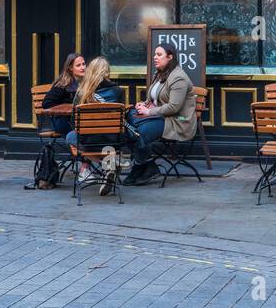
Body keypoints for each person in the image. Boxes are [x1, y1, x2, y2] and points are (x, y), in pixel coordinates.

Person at [122, 43, 197, 186]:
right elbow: (155, 98)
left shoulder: (178, 77)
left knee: (141, 132)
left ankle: (138, 167)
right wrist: (144, 104)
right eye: (155, 54)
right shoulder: (160, 73)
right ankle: (148, 165)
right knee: (127, 123)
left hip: (177, 121)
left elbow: (174, 107)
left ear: (170, 57)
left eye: (159, 55)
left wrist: (149, 111)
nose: (155, 57)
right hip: (161, 117)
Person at [64, 56, 123, 195]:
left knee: (70, 136)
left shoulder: (82, 93)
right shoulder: (118, 91)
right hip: (113, 142)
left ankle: (107, 164)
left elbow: (74, 123)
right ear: (107, 72)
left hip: (89, 142)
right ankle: (110, 164)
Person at [40, 53, 86, 137]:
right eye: (78, 65)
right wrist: (66, 107)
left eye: (83, 64)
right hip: (62, 120)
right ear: (70, 68)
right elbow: (46, 103)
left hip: (80, 119)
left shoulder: (87, 82)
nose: (82, 67)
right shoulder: (62, 84)